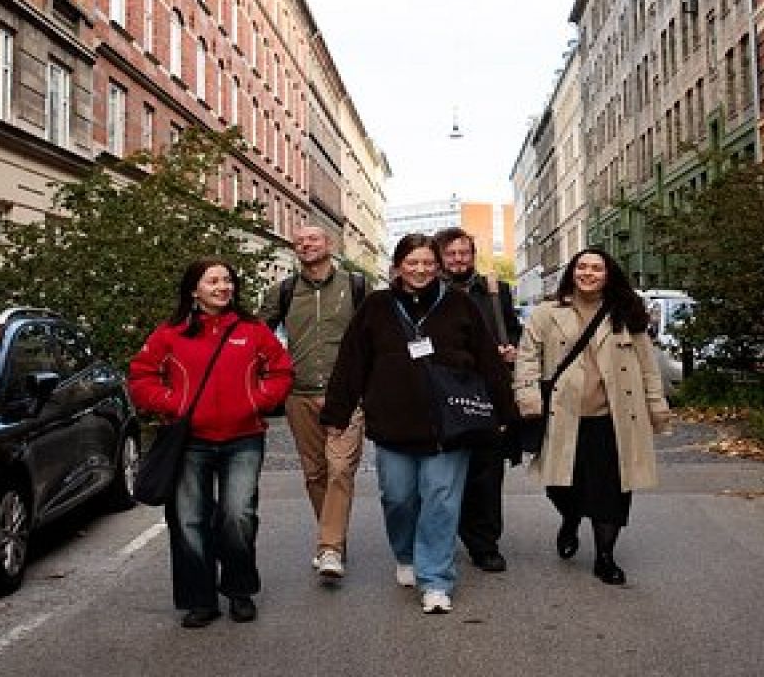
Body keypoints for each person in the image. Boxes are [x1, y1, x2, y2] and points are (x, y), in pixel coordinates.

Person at [320, 233, 514, 615]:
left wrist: (504, 413)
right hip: (393, 423)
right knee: (398, 498)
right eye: (413, 263)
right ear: (397, 268)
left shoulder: (459, 305)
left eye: (428, 263)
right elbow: (351, 362)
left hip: (449, 426)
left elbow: (487, 361)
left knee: (441, 500)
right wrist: (337, 415)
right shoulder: (377, 306)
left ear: (437, 267)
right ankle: (406, 553)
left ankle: (437, 579)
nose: (421, 270)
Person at [130, 259, 294, 628]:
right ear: (194, 290)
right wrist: (174, 404)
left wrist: (257, 401)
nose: (223, 287)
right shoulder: (169, 334)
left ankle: (239, 591)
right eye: (213, 281)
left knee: (238, 516)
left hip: (244, 439)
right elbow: (141, 378)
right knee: (189, 520)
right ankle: (199, 599)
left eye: (227, 280)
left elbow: (282, 370)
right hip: (189, 441)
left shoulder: (251, 330)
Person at [515, 247, 672, 586]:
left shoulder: (626, 312)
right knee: (559, 486)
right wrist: (527, 396)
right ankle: (570, 518)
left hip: (615, 418)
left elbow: (647, 365)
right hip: (564, 415)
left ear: (608, 275)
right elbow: (527, 358)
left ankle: (605, 557)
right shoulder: (546, 313)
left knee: (612, 490)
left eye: (596, 268)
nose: (588, 273)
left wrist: (656, 405)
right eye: (582, 267)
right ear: (572, 272)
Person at [261, 224, 368, 580]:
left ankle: (329, 548)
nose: (306, 244)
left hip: (346, 396)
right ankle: (333, 537)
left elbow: (378, 335)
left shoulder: (355, 286)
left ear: (330, 245)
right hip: (299, 395)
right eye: (300, 241)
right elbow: (257, 336)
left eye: (313, 239)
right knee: (315, 473)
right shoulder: (284, 291)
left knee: (339, 468)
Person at [431, 227, 520, 573]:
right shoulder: (430, 293)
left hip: (488, 392)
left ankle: (485, 544)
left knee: (487, 472)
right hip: (444, 393)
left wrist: (512, 348)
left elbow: (512, 329)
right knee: (445, 473)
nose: (458, 259)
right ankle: (443, 535)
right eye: (451, 254)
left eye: (464, 253)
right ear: (440, 257)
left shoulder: (496, 292)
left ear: (472, 254)